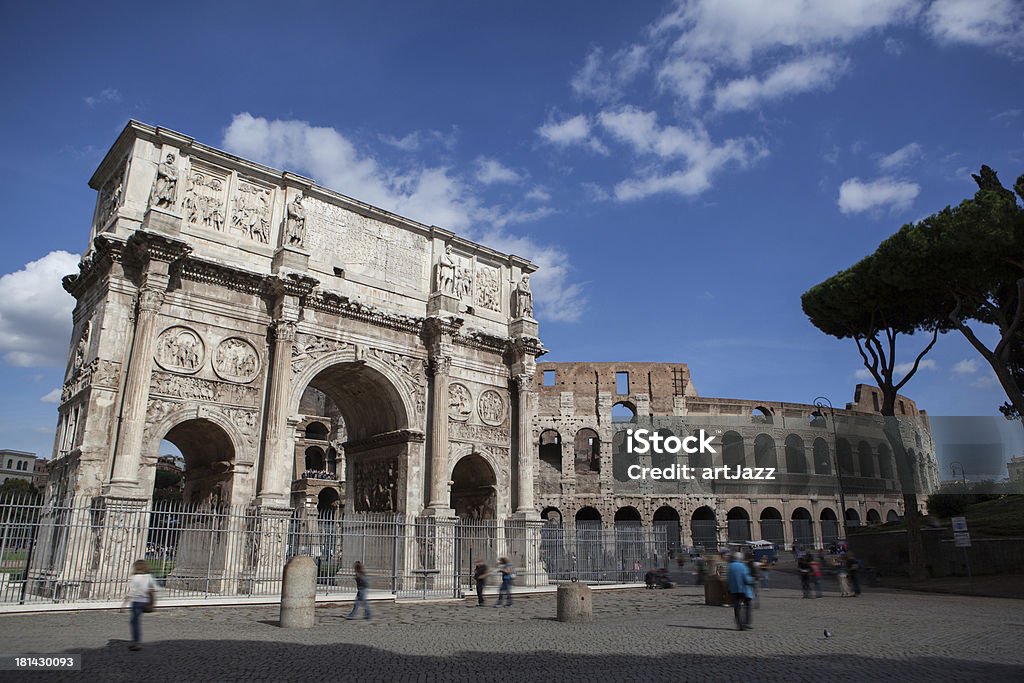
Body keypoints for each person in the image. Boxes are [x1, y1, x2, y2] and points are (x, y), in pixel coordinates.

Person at [122, 559, 158, 651]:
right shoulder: (149, 577)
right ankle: (136, 641)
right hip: (145, 601)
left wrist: (124, 604)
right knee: (136, 621)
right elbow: (153, 589)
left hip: (137, 602)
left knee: (135, 622)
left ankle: (136, 642)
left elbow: (132, 591)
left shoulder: (135, 578)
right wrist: (153, 603)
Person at [726, 552, 754, 631]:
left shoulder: (730, 566)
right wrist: (751, 580)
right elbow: (746, 578)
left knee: (737, 607)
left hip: (734, 589)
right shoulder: (742, 566)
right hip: (743, 589)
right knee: (748, 605)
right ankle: (746, 622)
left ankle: (739, 624)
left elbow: (728, 579)